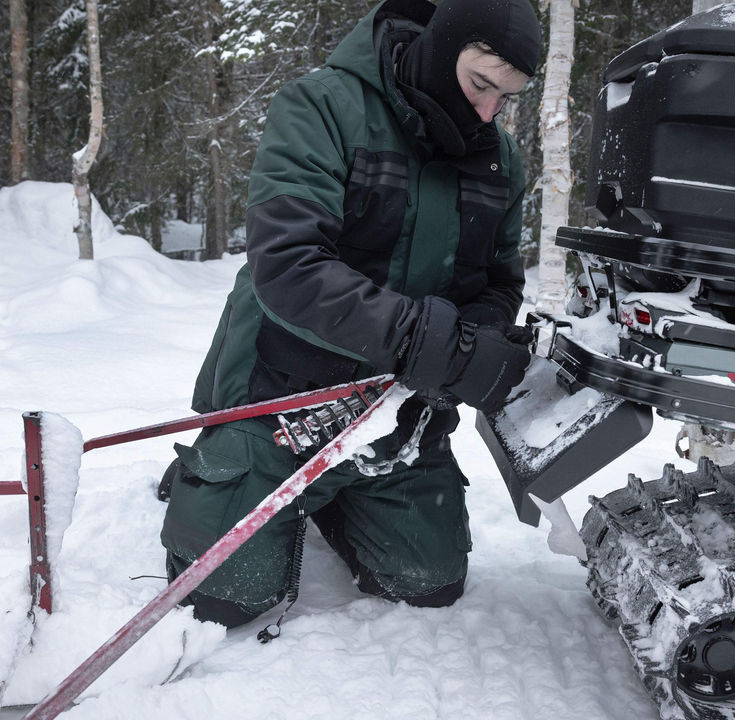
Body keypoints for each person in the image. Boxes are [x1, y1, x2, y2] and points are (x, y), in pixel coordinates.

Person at [160, 0, 542, 628]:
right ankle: (224, 468)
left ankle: (334, 493)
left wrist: (478, 340)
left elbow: (500, 282)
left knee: (428, 584)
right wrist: (431, 343)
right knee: (223, 601)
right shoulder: (323, 107)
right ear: (439, 49)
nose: (487, 111)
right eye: (480, 84)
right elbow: (289, 267)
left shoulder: (498, 157)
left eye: (506, 97)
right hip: (283, 393)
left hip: (398, 411)